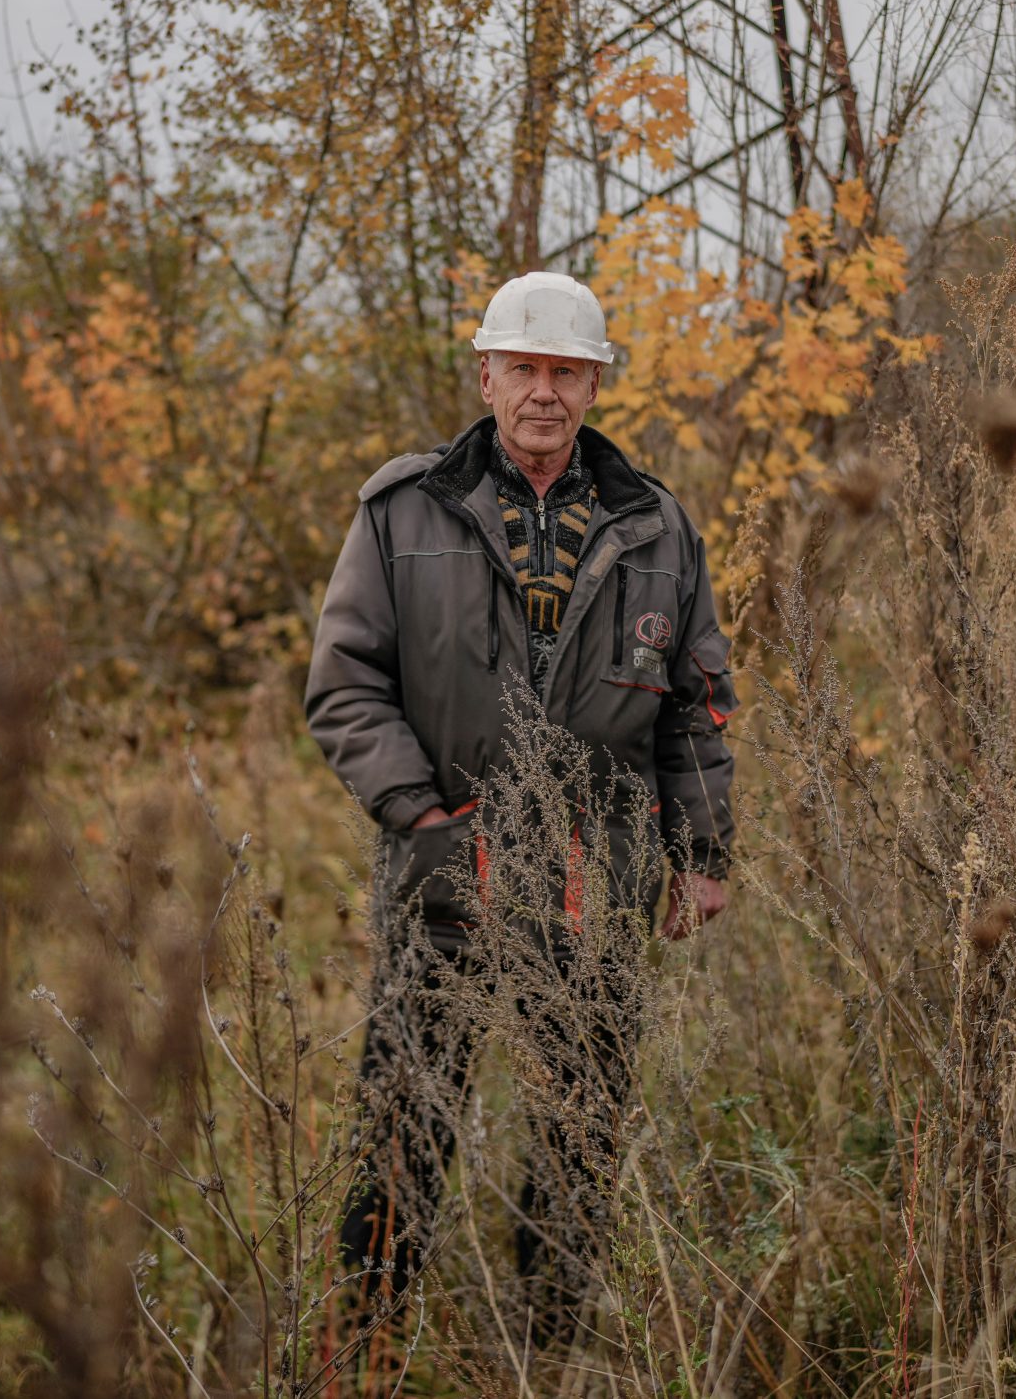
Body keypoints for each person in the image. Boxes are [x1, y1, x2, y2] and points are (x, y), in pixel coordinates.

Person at [303, 270, 738, 1352]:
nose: (545, 391)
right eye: (525, 368)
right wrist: (424, 822)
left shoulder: (656, 526)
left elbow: (696, 702)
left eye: (566, 372)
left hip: (598, 884)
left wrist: (700, 852)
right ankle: (364, 1354)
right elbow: (345, 685)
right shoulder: (402, 509)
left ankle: (549, 1357)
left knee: (578, 1143)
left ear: (593, 385)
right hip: (444, 879)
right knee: (402, 1134)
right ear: (486, 375)